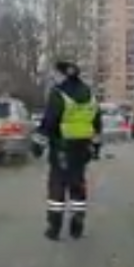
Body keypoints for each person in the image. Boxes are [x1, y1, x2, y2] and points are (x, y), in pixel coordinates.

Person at [36, 60, 103, 240]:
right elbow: (97, 123)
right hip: (82, 148)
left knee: (57, 186)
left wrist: (38, 144)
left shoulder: (58, 94)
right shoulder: (89, 94)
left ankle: (54, 227)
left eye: (55, 74)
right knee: (78, 184)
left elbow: (49, 122)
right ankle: (78, 222)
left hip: (62, 148)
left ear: (63, 74)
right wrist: (96, 147)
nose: (53, 77)